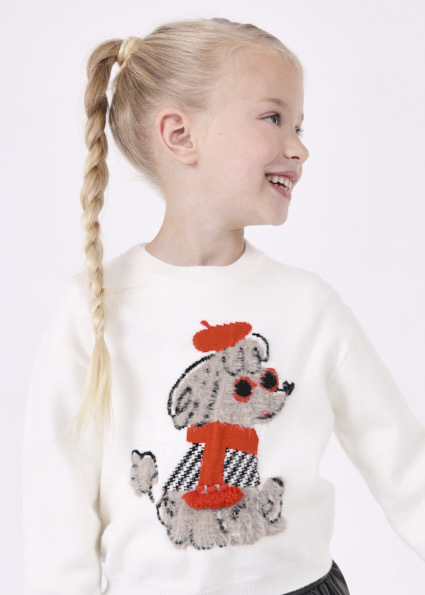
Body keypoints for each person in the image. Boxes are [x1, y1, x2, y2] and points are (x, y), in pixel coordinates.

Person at [23, 17, 425, 595]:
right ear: (180, 135)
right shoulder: (95, 308)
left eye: (299, 125)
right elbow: (56, 502)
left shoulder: (309, 305)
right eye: (273, 118)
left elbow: (405, 465)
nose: (300, 147)